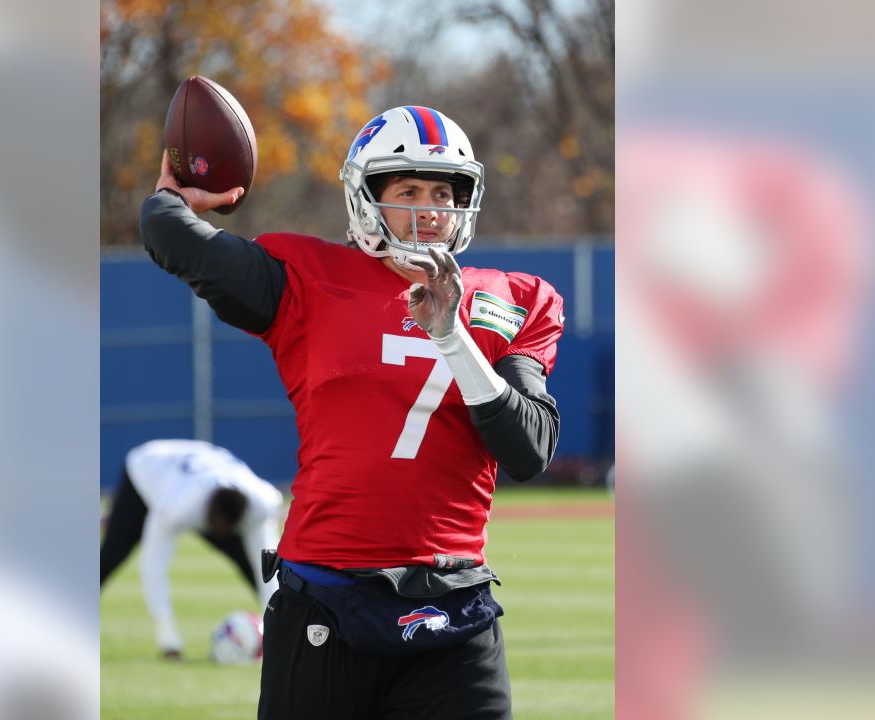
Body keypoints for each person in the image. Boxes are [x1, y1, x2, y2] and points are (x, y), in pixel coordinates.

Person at [140, 105, 564, 719]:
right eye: (408, 189)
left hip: (454, 605)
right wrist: (170, 196)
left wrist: (452, 337)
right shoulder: (307, 279)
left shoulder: (511, 300)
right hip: (327, 603)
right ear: (366, 198)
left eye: (443, 192)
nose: (428, 209)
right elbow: (174, 238)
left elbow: (529, 450)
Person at [100, 439, 283, 661]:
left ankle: (284, 628)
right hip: (148, 468)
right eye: (219, 528)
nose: (222, 535)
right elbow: (153, 564)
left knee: (247, 561)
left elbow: (268, 567)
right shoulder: (177, 508)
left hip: (201, 467)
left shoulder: (262, 503)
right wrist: (169, 640)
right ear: (210, 517)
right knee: (113, 553)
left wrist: (279, 634)